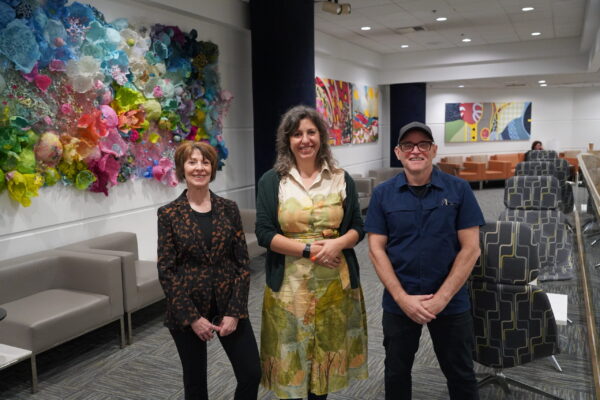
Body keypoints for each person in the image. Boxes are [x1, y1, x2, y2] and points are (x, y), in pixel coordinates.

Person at [255, 105, 368, 400]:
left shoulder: (342, 179)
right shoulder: (272, 181)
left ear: (321, 136)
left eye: (310, 132)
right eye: (296, 134)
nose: (304, 140)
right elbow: (265, 234)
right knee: (293, 360)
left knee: (324, 363)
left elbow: (357, 226)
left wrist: (337, 244)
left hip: (334, 285)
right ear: (287, 140)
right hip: (289, 289)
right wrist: (308, 250)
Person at [365, 121, 484, 400]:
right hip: (400, 299)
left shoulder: (459, 190)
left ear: (434, 150)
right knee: (396, 371)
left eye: (423, 145)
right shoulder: (383, 194)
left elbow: (471, 250)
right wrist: (402, 297)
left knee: (460, 374)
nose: (415, 150)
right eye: (408, 145)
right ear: (397, 152)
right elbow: (375, 249)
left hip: (451, 300)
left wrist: (441, 299)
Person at [157, 141, 261, 400]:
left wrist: (235, 312)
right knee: (195, 384)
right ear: (182, 168)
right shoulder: (168, 214)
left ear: (212, 168)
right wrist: (193, 318)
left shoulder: (229, 209)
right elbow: (166, 270)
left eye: (205, 162)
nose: (199, 168)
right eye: (192, 162)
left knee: (251, 373)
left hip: (229, 304)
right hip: (187, 309)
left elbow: (242, 264)